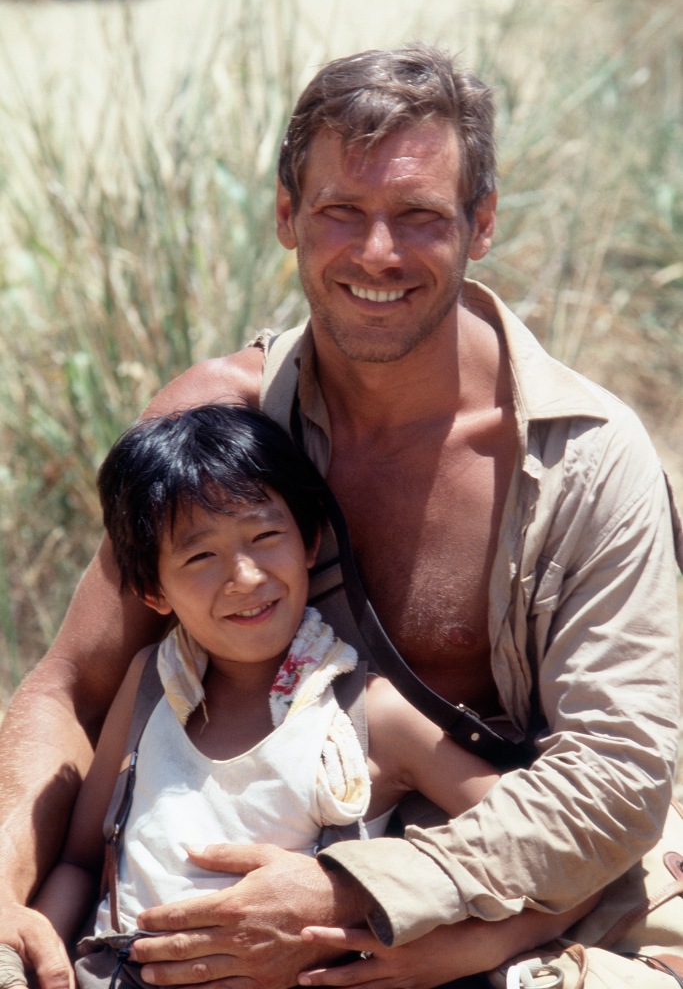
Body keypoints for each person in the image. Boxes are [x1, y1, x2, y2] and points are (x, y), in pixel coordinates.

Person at [0, 43, 680, 989]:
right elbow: (68, 688)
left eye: (419, 217)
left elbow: (615, 786)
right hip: (220, 908)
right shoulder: (219, 429)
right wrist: (7, 887)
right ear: (286, 216)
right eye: (339, 213)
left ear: (481, 223)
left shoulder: (585, 459)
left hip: (528, 896)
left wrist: (352, 899)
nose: (376, 254)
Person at [8, 402, 504, 989]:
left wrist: (463, 946)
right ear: (152, 589)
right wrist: (37, 961)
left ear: (311, 540)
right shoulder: (150, 686)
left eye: (265, 534)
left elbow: (513, 831)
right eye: (199, 556)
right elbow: (79, 860)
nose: (244, 576)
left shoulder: (367, 714)